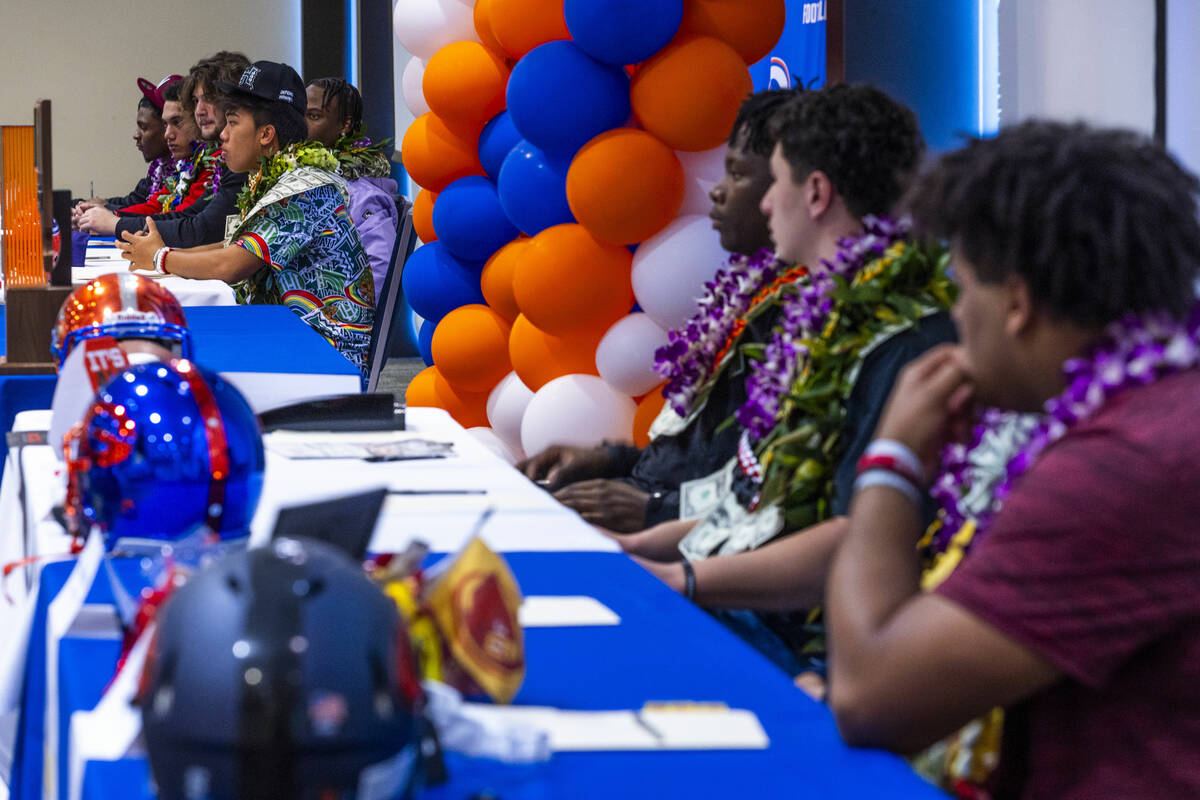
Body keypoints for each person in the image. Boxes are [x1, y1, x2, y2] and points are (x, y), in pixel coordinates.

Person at [825, 122, 1200, 798]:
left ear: (1017, 303)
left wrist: (894, 459)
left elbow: (871, 697)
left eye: (963, 287)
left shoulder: (1126, 464)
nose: (957, 315)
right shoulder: (1165, 409)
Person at [624, 85, 955, 675]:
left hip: (813, 651)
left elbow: (857, 535)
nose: (768, 204)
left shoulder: (903, 340)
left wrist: (683, 576)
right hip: (746, 601)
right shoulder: (821, 314)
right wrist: (641, 548)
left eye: (774, 182)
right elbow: (762, 500)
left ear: (817, 192)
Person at [518, 89, 795, 531]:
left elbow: (772, 493)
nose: (718, 192)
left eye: (739, 174)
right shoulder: (746, 296)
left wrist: (655, 512)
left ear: (808, 190)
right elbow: (700, 455)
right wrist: (610, 461)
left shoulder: (812, 321)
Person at [116, 61, 375, 378]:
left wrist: (160, 257)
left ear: (266, 134)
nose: (222, 135)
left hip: (323, 356)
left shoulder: (303, 190)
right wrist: (161, 255)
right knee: (178, 336)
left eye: (233, 123)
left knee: (176, 352)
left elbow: (231, 264)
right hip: (290, 336)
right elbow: (231, 245)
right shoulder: (278, 179)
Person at [81, 52, 251, 247]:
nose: (200, 111)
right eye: (196, 101)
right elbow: (192, 215)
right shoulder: (223, 158)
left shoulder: (238, 160)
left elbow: (201, 229)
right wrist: (112, 218)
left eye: (209, 99)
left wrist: (116, 223)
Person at [306, 77, 399, 304]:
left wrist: (336, 316)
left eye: (314, 116)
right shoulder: (300, 178)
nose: (302, 124)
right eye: (301, 113)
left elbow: (381, 270)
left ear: (344, 125)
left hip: (336, 324)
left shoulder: (362, 196)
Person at [70, 75, 176, 226]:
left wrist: (108, 213)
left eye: (144, 127)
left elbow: (167, 217)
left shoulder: (195, 169)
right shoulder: (160, 167)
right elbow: (134, 202)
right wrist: (89, 207)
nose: (136, 135)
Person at [115, 80, 215, 216]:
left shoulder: (212, 163)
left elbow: (184, 218)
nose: (167, 134)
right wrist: (112, 217)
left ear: (197, 120)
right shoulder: (184, 164)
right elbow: (155, 206)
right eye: (165, 125)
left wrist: (114, 221)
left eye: (177, 122)